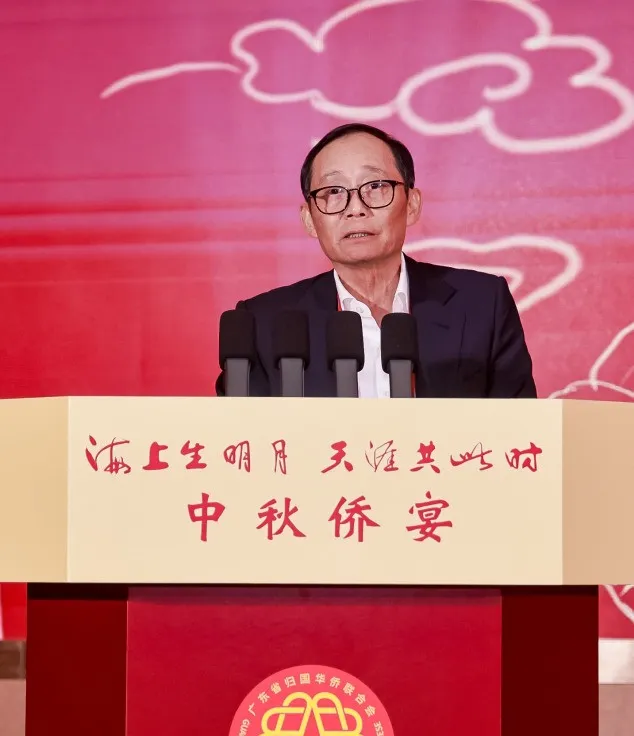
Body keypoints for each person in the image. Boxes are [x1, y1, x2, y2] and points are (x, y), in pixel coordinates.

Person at [216, 123, 536, 398]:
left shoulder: (481, 304)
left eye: (376, 186)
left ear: (412, 204)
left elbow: (520, 433)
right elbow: (241, 441)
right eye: (333, 192)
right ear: (309, 219)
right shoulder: (263, 323)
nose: (355, 208)